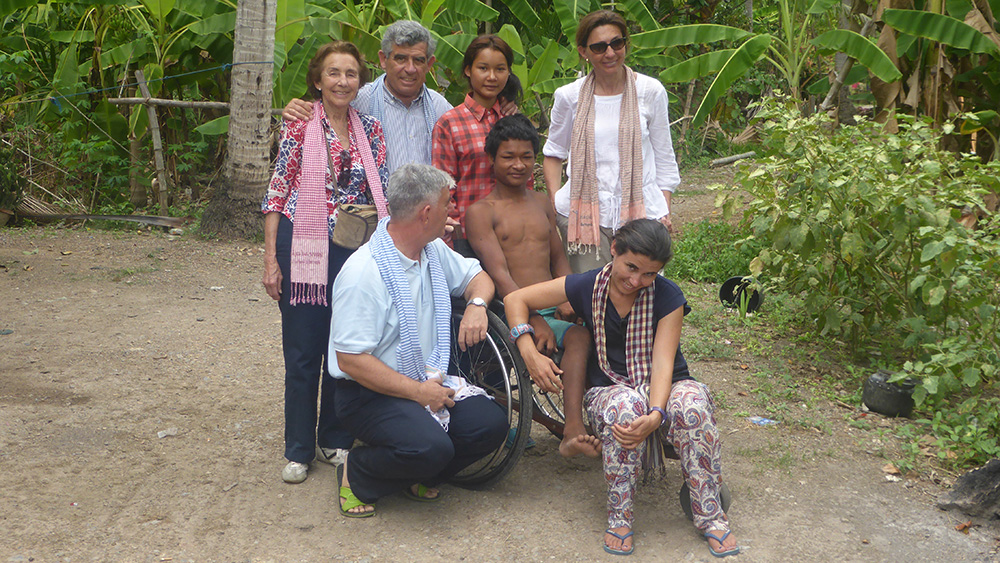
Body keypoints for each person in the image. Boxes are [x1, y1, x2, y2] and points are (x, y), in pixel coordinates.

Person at [504, 219, 739, 558]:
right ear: (613, 250)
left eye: (649, 274)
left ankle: (709, 513)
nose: (636, 281)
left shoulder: (668, 296)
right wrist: (527, 351)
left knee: (692, 404)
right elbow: (515, 299)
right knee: (625, 408)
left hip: (666, 383)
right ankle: (620, 514)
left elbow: (663, 363)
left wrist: (657, 413)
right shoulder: (587, 285)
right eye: (630, 267)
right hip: (610, 387)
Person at [329, 163, 508, 517]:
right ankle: (357, 470)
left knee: (491, 425)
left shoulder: (432, 251)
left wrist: (476, 304)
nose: (452, 212)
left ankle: (415, 471)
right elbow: (351, 360)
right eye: (447, 204)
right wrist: (417, 393)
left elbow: (479, 278)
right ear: (427, 213)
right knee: (431, 448)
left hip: (429, 378)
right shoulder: (364, 273)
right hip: (368, 394)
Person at [261, 41, 389, 485]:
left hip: (356, 247)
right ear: (318, 80)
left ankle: (334, 437)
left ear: (360, 81)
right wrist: (270, 262)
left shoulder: (371, 129)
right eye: (333, 73)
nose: (342, 81)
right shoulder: (297, 125)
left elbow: (382, 191)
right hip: (304, 244)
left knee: (346, 343)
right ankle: (298, 447)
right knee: (302, 349)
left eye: (351, 74)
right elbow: (277, 193)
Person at [465, 114, 599, 458]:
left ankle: (601, 414)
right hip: (512, 307)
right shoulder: (482, 211)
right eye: (508, 156)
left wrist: (571, 298)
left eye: (526, 156)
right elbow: (498, 272)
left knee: (596, 327)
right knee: (580, 338)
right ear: (491, 159)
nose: (518, 164)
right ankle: (573, 428)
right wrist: (533, 317)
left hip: (552, 302)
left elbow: (558, 257)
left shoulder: (542, 202)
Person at [542, 10, 681, 273]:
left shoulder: (650, 91)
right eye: (599, 47)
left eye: (617, 43)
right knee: (593, 298)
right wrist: (555, 204)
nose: (610, 53)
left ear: (626, 44)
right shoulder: (568, 96)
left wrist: (664, 211)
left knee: (641, 295)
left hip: (642, 216)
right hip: (584, 218)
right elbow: (553, 153)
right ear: (584, 51)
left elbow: (664, 157)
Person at [283, 21, 515, 174]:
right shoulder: (358, 101)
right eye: (401, 59)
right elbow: (324, 110)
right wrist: (298, 108)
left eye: (418, 60)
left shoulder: (440, 107)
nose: (410, 68)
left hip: (427, 222)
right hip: (372, 221)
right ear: (384, 60)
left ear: (430, 64)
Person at [432, 34, 526, 251]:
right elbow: (444, 187)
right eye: (483, 68)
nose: (492, 77)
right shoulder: (450, 123)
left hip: (513, 233)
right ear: (468, 70)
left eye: (500, 69)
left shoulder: (513, 119)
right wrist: (453, 240)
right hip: (466, 236)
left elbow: (526, 181)